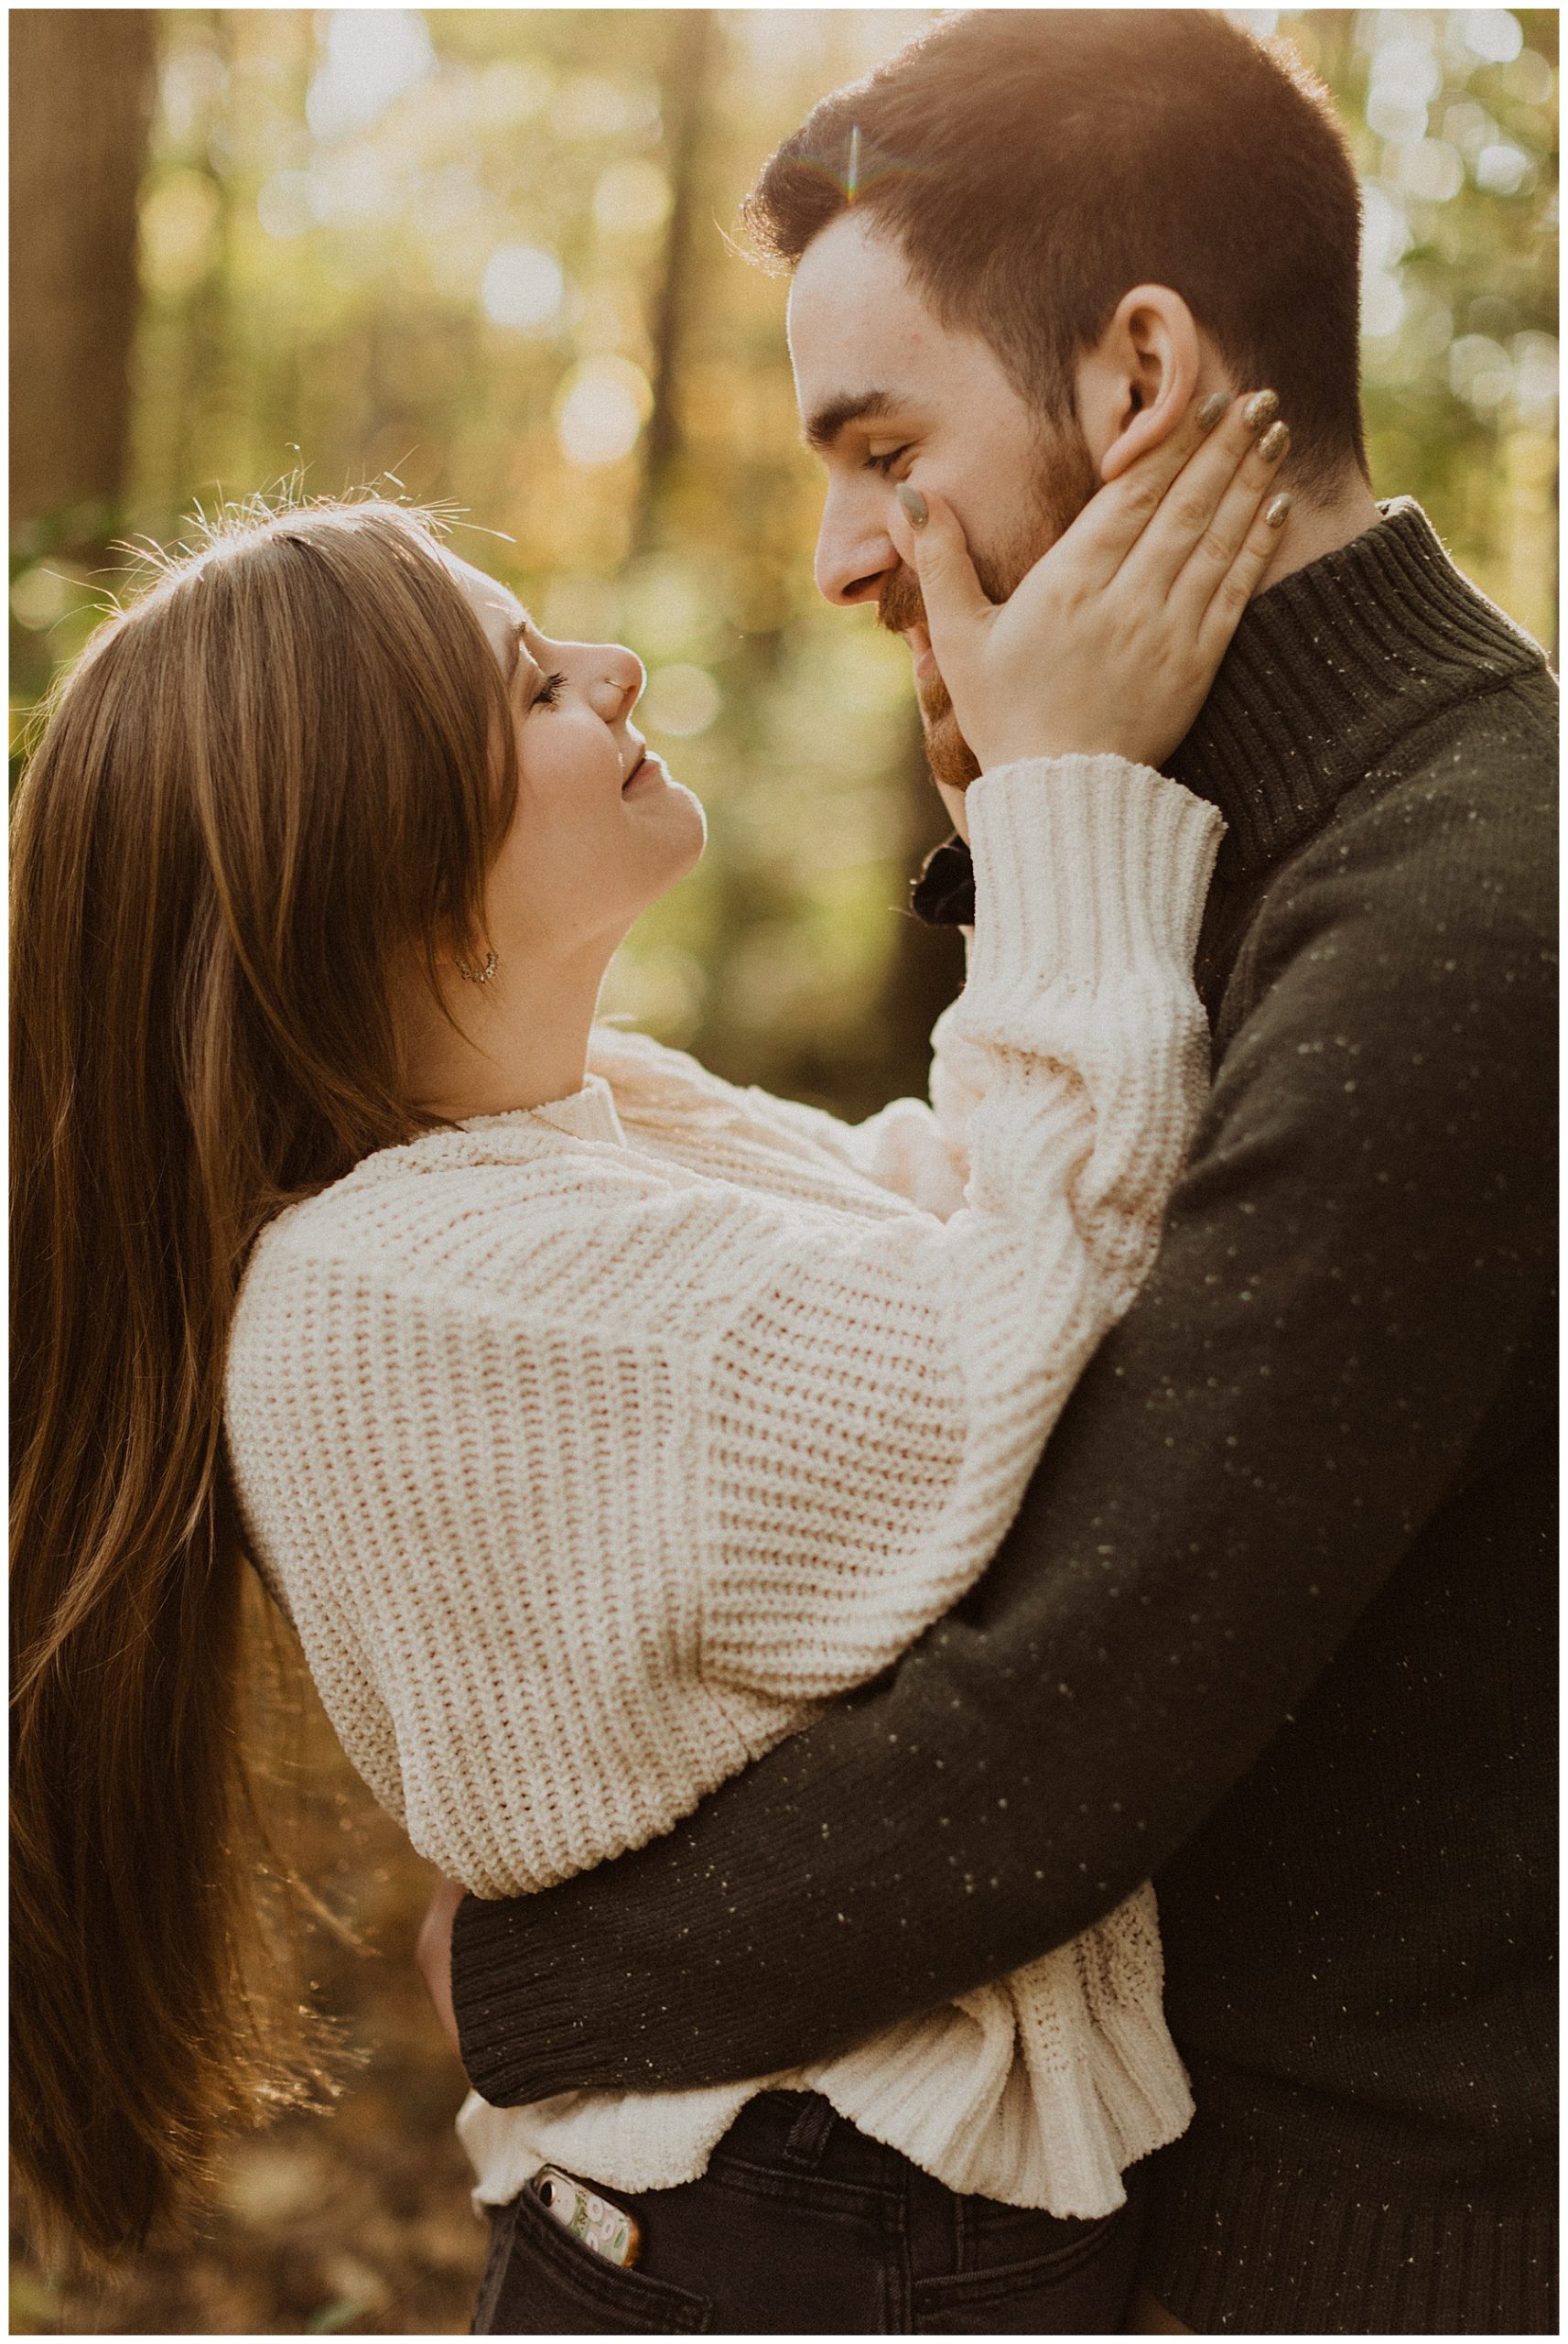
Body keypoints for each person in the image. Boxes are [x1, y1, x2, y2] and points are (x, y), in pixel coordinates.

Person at [434, 10, 1558, 2336]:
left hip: (1348, 2250)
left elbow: (1070, 1693)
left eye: (882, 444)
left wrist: (542, 1981)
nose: (845, 546)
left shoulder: (1468, 907)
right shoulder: (1285, 850)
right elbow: (977, 1369)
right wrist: (1032, 846)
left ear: (1136, 373)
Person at [10, 404, 1292, 2317]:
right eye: (531, 681)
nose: (609, 664)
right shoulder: (413, 1294)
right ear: (383, 863)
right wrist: (1071, 794)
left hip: (839, 2195)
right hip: (798, 2229)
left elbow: (957, 1222)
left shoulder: (576, 1129)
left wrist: (1018, 846)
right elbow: (1040, 1349)